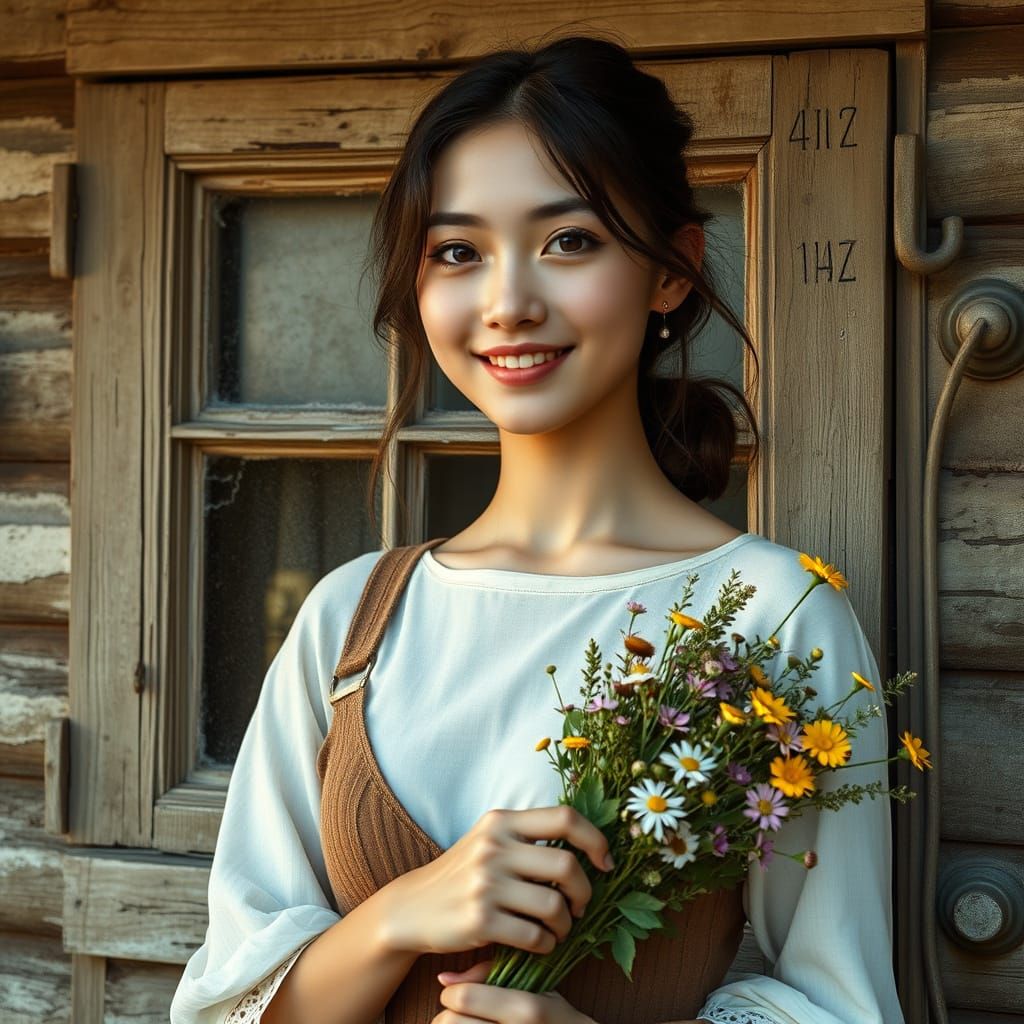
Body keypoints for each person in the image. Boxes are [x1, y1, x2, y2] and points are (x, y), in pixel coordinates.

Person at [170, 32, 905, 1024]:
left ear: (672, 271)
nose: (509, 304)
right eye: (457, 252)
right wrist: (394, 916)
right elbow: (220, 1008)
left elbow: (840, 1004)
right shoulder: (352, 620)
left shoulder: (776, 619)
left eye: (569, 240)